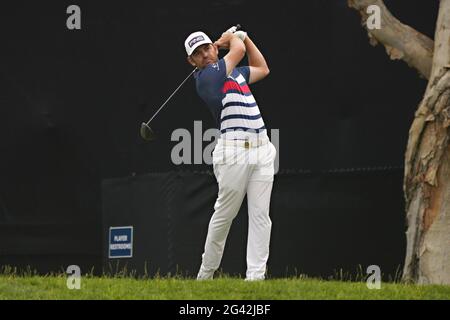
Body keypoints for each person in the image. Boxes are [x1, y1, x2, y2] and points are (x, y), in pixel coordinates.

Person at [184, 27, 276, 281]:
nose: (205, 55)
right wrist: (233, 39)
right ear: (192, 62)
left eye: (207, 48)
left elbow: (262, 68)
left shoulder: (234, 72)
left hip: (262, 147)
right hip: (233, 150)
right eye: (198, 54)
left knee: (261, 216)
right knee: (225, 215)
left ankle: (255, 277)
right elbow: (238, 51)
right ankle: (206, 272)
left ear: (214, 48)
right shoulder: (205, 77)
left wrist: (246, 37)